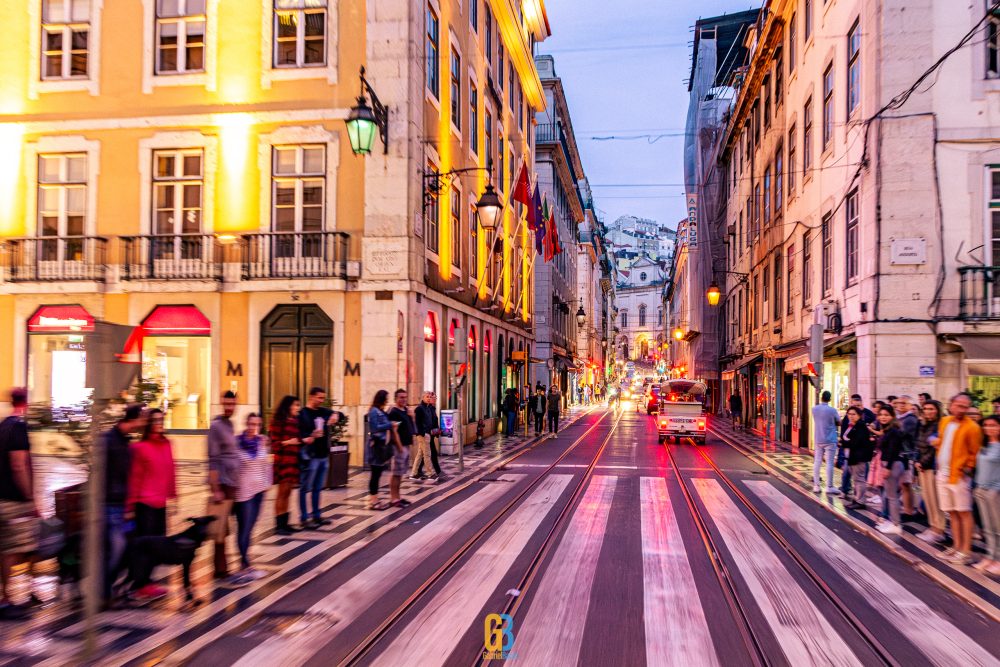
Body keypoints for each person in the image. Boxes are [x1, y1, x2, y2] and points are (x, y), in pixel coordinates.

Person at [99, 403, 145, 602]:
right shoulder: (110, 440)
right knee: (117, 547)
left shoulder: (124, 441)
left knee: (122, 548)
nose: (144, 422)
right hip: (110, 503)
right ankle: (103, 589)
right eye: (142, 418)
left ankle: (107, 588)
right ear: (133, 419)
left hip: (120, 503)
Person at [932, 392, 982, 565]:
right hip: (943, 473)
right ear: (951, 405)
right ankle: (957, 546)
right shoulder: (945, 422)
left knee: (964, 513)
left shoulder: (972, 427)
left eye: (965, 407)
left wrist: (966, 469)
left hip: (958, 476)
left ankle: (966, 551)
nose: (962, 410)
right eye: (959, 406)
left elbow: (974, 453)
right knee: (952, 512)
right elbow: (942, 441)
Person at [0, 389, 38, 614]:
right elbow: (18, 465)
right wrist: (29, 497)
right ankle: (13, 598)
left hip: (2, 498)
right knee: (20, 549)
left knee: (7, 549)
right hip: (15, 500)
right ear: (26, 402)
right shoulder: (19, 427)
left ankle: (9, 596)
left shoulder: (3, 425)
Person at [126, 409, 177, 539]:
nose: (160, 423)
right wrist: (130, 507)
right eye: (155, 420)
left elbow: (171, 471)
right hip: (145, 506)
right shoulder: (139, 447)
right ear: (149, 423)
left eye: (161, 419)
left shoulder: (167, 444)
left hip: (162, 504)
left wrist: (173, 496)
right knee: (147, 548)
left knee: (161, 545)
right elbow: (135, 479)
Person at [233, 413, 271, 582]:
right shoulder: (237, 443)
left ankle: (245, 562)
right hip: (243, 491)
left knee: (251, 527)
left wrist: (267, 484)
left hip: (259, 492)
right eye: (250, 424)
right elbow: (232, 467)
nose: (253, 427)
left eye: (256, 424)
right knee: (244, 528)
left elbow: (266, 465)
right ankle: (245, 564)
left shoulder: (262, 441)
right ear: (245, 423)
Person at [207, 391, 239, 578]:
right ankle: (220, 568)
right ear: (221, 402)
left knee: (225, 527)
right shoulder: (216, 426)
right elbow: (213, 459)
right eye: (226, 403)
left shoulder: (230, 424)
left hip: (232, 482)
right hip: (223, 483)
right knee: (220, 526)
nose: (229, 407)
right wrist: (215, 488)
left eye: (232, 404)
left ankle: (223, 565)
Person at [298, 387, 340, 530]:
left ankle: (317, 515)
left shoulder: (323, 411)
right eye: (319, 398)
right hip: (311, 456)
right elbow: (301, 436)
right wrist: (311, 436)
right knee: (305, 488)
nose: (322, 401)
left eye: (323, 398)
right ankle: (304, 517)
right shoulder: (303, 414)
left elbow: (338, 414)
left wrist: (335, 415)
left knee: (317, 488)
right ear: (311, 397)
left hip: (323, 455)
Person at [269, 395, 302, 536]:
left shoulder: (295, 421)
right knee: (281, 493)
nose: (297, 408)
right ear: (288, 406)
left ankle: (285, 523)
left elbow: (298, 438)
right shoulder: (277, 421)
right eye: (295, 405)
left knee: (288, 492)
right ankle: (279, 525)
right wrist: (289, 442)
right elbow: (274, 444)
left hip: (293, 460)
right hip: (283, 461)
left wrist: (299, 441)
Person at [874, 405, 909, 535]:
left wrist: (887, 467)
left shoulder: (893, 431)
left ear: (892, 417)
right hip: (891, 464)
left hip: (892, 464)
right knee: (890, 495)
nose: (883, 417)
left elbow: (893, 450)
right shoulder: (889, 430)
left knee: (892, 496)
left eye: (886, 415)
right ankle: (892, 521)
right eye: (881, 414)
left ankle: (896, 524)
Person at [915, 400, 946, 544]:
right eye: (925, 409)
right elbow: (919, 444)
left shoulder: (940, 425)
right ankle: (933, 526)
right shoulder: (923, 425)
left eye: (931, 409)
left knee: (935, 499)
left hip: (931, 466)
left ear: (937, 410)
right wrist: (917, 460)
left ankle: (939, 530)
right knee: (927, 498)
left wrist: (922, 462)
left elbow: (934, 449)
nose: (928, 411)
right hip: (922, 466)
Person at [974, 416, 1000, 574]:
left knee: (998, 527)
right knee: (987, 527)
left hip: (995, 491)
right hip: (981, 489)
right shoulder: (984, 445)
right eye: (986, 425)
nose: (989, 428)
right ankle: (990, 556)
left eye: (994, 425)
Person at [838, 394, 876, 495]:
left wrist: (872, 429)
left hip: (859, 453)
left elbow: (874, 422)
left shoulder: (866, 417)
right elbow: (843, 431)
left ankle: (859, 496)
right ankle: (846, 489)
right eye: (853, 406)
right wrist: (843, 441)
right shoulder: (848, 418)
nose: (853, 413)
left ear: (861, 405)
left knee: (860, 476)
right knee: (848, 471)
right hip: (849, 452)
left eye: (858, 406)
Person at [367, 390, 394, 510]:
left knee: (377, 474)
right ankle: (373, 501)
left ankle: (375, 499)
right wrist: (390, 425)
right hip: (376, 446)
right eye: (386, 399)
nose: (387, 401)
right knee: (375, 474)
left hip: (381, 444)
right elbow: (374, 428)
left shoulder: (380, 411)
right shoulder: (374, 411)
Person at [387, 389, 414, 509]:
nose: (403, 399)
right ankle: (394, 499)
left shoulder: (405, 410)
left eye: (405, 397)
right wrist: (399, 447)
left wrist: (412, 416)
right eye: (401, 397)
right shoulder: (394, 412)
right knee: (396, 473)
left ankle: (398, 496)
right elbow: (394, 431)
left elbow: (412, 427)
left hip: (406, 445)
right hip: (399, 446)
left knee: (400, 473)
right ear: (396, 399)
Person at [811, 390, 841, 496]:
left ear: (821, 397)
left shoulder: (814, 409)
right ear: (830, 399)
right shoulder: (832, 410)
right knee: (829, 463)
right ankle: (829, 486)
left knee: (817, 461)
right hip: (830, 439)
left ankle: (816, 485)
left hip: (818, 438)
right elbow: (839, 422)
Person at [894, 396, 920, 516]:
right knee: (904, 484)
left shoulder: (909, 419)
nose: (900, 405)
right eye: (899, 403)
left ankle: (909, 510)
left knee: (906, 484)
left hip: (907, 455)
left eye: (904, 403)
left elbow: (901, 434)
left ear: (910, 406)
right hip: (903, 455)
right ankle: (907, 508)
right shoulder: (901, 418)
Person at [412, 391, 443, 482]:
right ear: (423, 397)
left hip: (429, 434)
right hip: (423, 434)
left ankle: (414, 472)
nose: (429, 398)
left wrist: (434, 431)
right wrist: (423, 433)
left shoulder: (428, 408)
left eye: (430, 397)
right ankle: (430, 473)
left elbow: (432, 421)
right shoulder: (419, 409)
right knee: (427, 454)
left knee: (420, 454)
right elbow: (417, 423)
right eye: (427, 397)